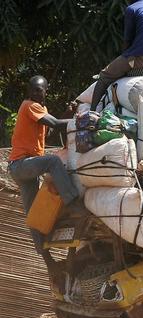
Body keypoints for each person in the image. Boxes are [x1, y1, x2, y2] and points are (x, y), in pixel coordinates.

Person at [8, 76, 80, 265]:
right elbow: (56, 124)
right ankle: (72, 201)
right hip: (21, 165)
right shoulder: (29, 105)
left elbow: (49, 130)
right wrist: (80, 121)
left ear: (46, 90)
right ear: (29, 91)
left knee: (33, 215)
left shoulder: (40, 109)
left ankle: (47, 259)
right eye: (34, 90)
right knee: (54, 162)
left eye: (40, 90)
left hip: (26, 168)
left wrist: (67, 113)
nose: (36, 93)